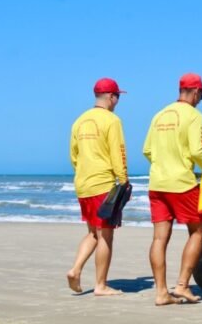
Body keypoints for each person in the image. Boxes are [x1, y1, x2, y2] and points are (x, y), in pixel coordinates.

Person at [143, 73, 202, 306]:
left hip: (157, 183)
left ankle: (161, 293)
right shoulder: (194, 115)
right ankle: (182, 285)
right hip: (181, 184)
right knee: (197, 231)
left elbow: (148, 151)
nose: (201, 99)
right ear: (194, 92)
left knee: (159, 238)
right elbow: (197, 151)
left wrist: (164, 163)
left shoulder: (159, 115)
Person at [66, 77, 129, 296]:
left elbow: (73, 155)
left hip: (83, 183)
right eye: (118, 97)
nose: (118, 101)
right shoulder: (112, 121)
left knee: (93, 232)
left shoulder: (79, 121)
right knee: (106, 235)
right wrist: (124, 181)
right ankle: (100, 285)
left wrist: (83, 171)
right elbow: (118, 154)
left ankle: (75, 269)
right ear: (111, 97)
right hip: (103, 184)